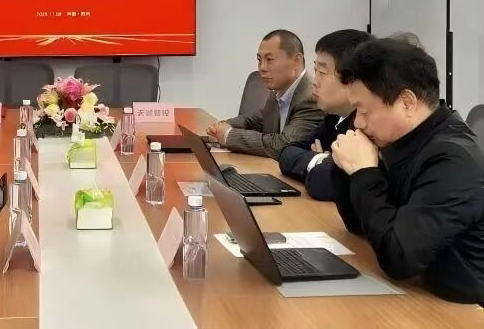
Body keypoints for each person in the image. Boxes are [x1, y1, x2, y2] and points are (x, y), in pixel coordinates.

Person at [331, 38, 484, 305]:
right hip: (423, 295)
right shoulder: (403, 141)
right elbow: (358, 224)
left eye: (364, 110)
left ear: (407, 103)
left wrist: (364, 172)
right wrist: (349, 166)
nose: (358, 122)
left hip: (464, 310)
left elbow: (398, 259)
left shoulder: (451, 160)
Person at [278, 29, 372, 200]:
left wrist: (319, 166)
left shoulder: (368, 127)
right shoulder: (334, 117)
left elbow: (322, 184)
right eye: (315, 71)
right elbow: (286, 153)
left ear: (352, 79)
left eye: (321, 72)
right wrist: (321, 159)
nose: (314, 82)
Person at [206, 29, 323, 158]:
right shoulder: (278, 91)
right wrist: (221, 127)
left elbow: (284, 145)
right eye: (259, 60)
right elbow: (255, 121)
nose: (262, 67)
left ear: (296, 61)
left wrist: (228, 135)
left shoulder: (312, 97)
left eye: (269, 59)